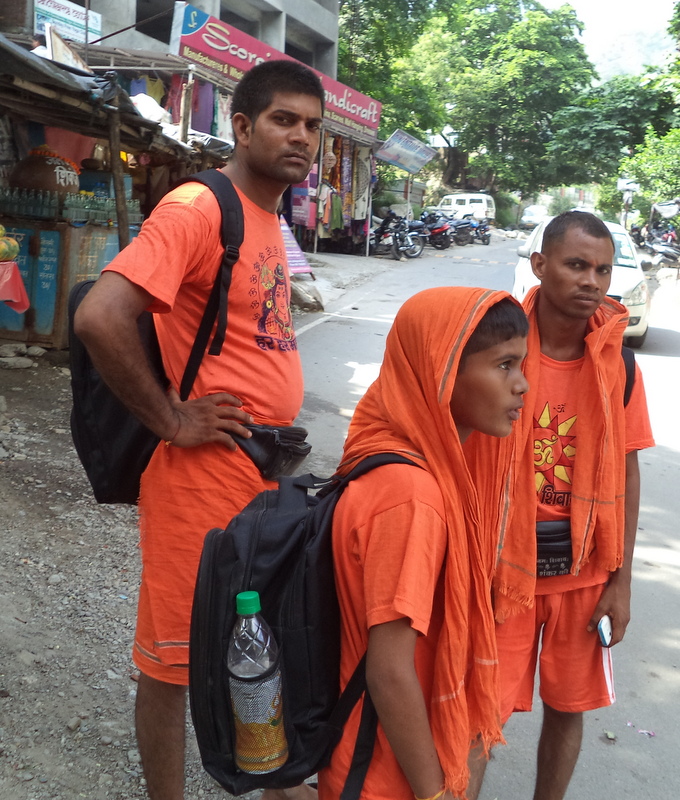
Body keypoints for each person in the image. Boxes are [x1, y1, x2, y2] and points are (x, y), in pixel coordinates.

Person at [73, 60, 325, 800]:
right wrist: (172, 418)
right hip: (201, 476)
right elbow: (100, 316)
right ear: (242, 127)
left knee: (263, 636)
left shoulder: (267, 217)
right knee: (174, 660)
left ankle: (274, 781)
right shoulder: (198, 207)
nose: (302, 137)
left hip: (261, 476)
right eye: (283, 119)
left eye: (312, 126)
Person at [468, 211, 655, 800]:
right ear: (540, 265)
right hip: (503, 567)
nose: (591, 281)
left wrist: (621, 582)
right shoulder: (500, 348)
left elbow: (627, 473)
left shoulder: (618, 363)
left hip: (584, 574)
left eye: (602, 270)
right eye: (576, 265)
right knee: (480, 712)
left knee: (569, 708)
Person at [318, 287, 530, 800]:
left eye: (521, 364)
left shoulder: (398, 460)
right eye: (504, 365)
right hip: (382, 776)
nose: (522, 384)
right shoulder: (411, 496)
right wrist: (434, 794)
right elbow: (390, 672)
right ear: (443, 371)